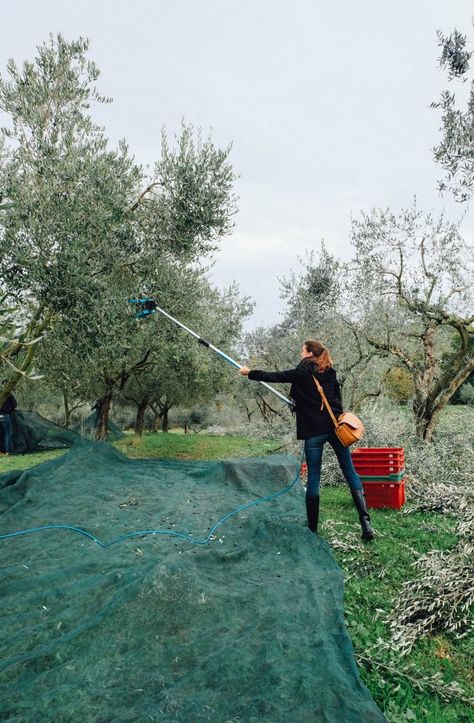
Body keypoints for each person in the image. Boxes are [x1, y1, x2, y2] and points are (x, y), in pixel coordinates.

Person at [239, 340, 374, 541]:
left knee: (313, 478)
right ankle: (366, 524)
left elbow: (275, 377)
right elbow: (335, 399)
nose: (301, 352)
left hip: (314, 433)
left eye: (302, 349)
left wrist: (249, 373)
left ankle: (312, 530)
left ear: (309, 352)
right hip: (336, 429)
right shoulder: (330, 371)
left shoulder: (302, 371)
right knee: (349, 471)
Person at [0, 389, 17, 455]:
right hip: (5, 416)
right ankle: (8, 452)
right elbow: (14, 405)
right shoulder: (8, 395)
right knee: (7, 434)